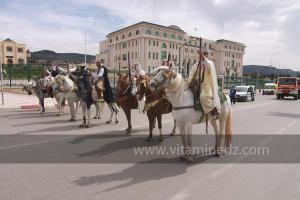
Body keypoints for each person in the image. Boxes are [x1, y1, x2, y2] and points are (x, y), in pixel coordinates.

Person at [188, 47, 220, 119]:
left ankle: (214, 111)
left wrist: (202, 56)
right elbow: (191, 74)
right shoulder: (196, 65)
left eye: (205, 54)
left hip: (206, 85)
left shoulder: (210, 63)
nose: (204, 55)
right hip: (195, 85)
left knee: (203, 97)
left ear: (207, 55)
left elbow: (208, 67)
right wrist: (189, 81)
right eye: (202, 54)